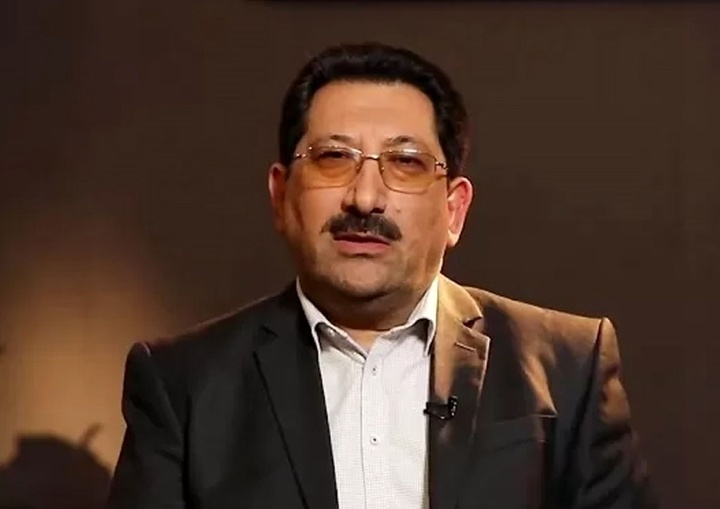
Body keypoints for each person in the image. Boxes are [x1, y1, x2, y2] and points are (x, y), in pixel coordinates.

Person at [107, 43, 657, 509]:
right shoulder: (183, 385)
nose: (365, 197)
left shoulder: (568, 366)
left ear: (454, 210)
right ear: (281, 195)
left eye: (406, 162)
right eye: (333, 157)